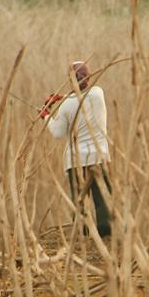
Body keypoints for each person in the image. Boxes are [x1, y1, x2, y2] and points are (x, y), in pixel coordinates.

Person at [41, 61, 111, 238]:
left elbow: (58, 133)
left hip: (76, 160)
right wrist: (62, 97)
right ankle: (106, 235)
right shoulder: (98, 93)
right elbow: (82, 96)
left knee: (79, 200)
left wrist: (46, 115)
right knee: (102, 197)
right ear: (88, 77)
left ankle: (82, 235)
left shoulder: (66, 106)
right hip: (99, 156)